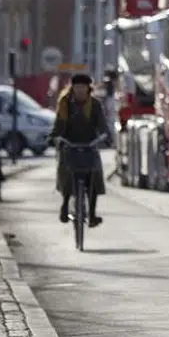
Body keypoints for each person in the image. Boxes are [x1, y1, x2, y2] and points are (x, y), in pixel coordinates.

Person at [50, 73, 109, 225]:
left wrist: (105, 136)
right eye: (77, 87)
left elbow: (102, 126)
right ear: (73, 88)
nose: (80, 90)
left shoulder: (95, 104)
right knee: (66, 172)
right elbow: (58, 124)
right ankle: (64, 205)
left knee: (95, 175)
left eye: (83, 87)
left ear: (88, 88)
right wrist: (54, 137)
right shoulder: (65, 103)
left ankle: (92, 214)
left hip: (89, 145)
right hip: (69, 145)